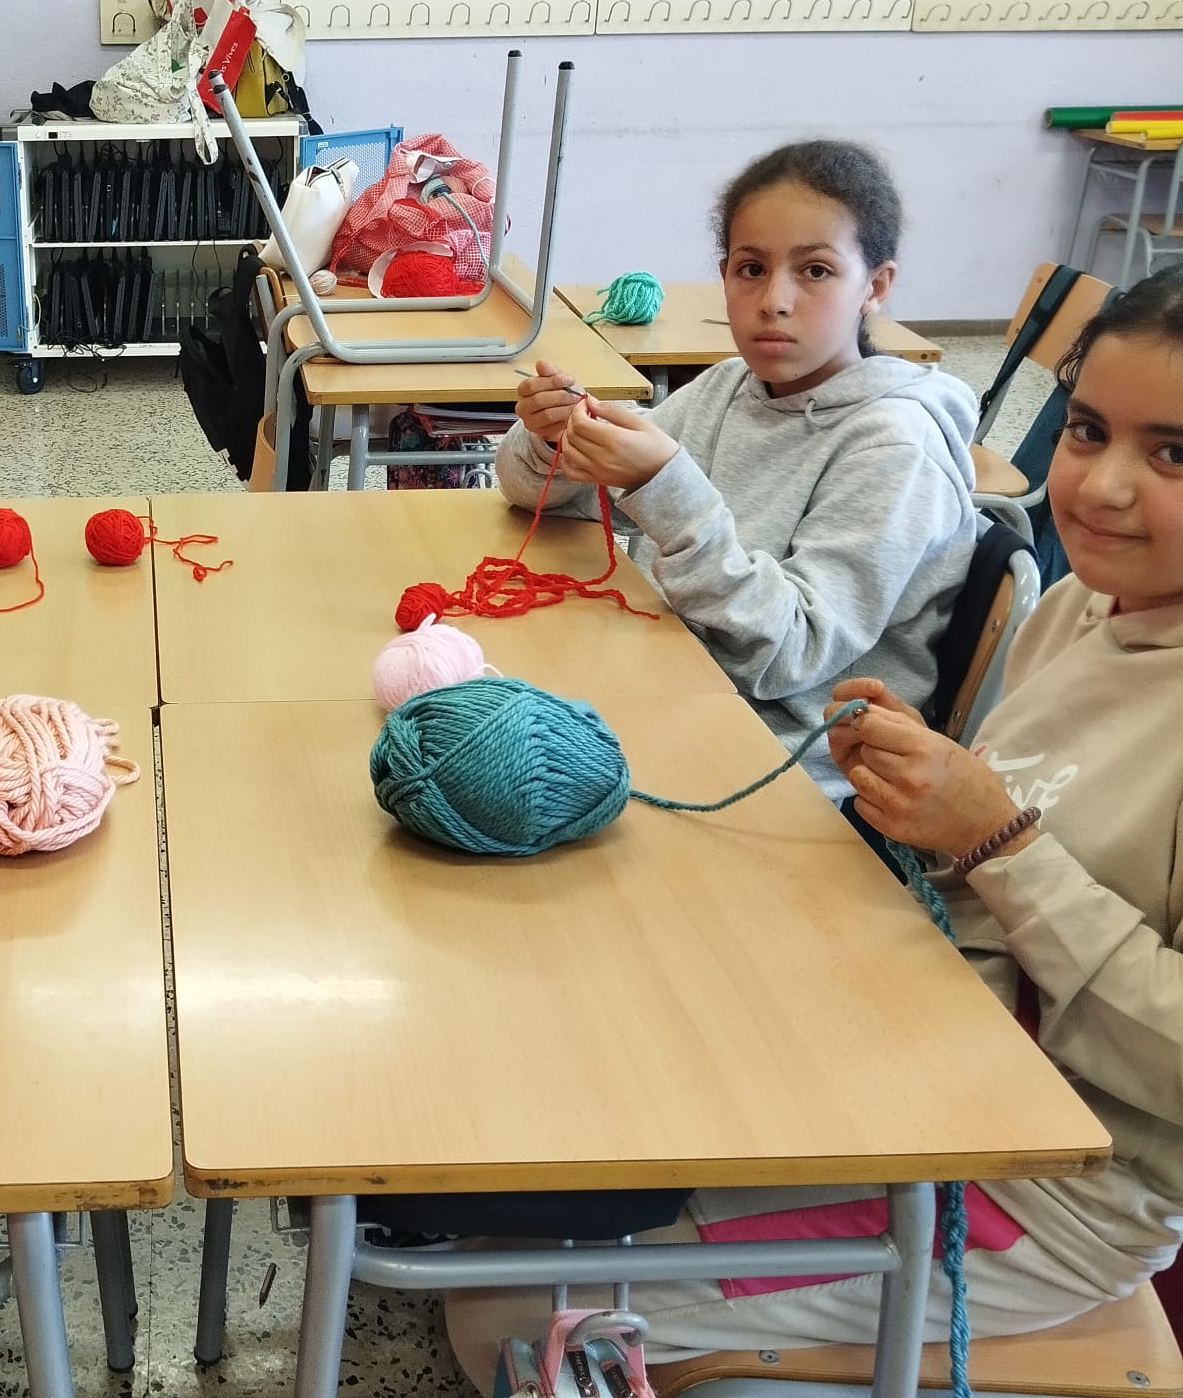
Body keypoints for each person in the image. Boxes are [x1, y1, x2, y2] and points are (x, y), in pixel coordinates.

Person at [449, 264, 1183, 1379]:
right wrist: (927, 799)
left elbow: (1036, 886)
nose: (1104, 487)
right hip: (935, 1052)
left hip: (1053, 1181)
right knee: (533, 1105)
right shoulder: (1087, 605)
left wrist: (996, 842)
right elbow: (1009, 862)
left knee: (498, 1308)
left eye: (1173, 454)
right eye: (1087, 431)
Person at [495, 140, 978, 798]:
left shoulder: (896, 448)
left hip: (785, 763)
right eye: (751, 269)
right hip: (676, 683)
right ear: (724, 275)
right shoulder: (729, 388)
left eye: (815, 271)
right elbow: (547, 501)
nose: (774, 300)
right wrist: (554, 441)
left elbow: (790, 656)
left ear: (875, 286)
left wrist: (664, 490)